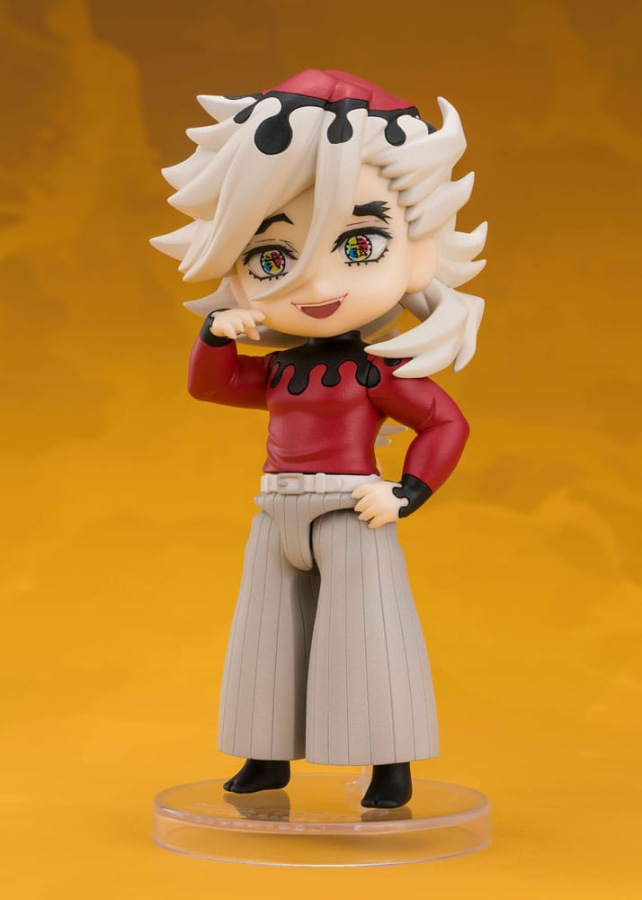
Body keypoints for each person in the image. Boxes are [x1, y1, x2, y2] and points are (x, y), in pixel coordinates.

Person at [152, 69, 486, 808]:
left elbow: (445, 421)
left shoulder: (375, 370)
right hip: (276, 512)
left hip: (350, 510)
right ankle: (265, 754)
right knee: (264, 637)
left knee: (369, 637)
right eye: (271, 259)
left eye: (359, 244)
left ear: (418, 251)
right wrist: (216, 335)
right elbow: (214, 385)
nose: (314, 282)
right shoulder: (280, 371)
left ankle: (388, 765)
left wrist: (407, 493)